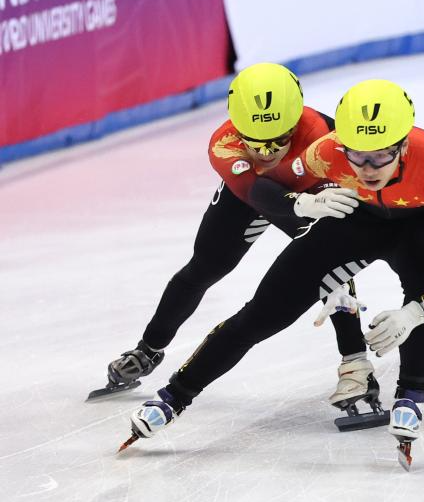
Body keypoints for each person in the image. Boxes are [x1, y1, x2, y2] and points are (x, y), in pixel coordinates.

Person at [121, 79, 424, 468]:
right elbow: (262, 190)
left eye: (380, 157)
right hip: (352, 220)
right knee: (261, 315)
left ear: (403, 146)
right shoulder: (326, 152)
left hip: (418, 227)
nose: (367, 169)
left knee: (423, 286)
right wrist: (300, 202)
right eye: (356, 156)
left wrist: (414, 312)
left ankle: (411, 391)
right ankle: (174, 396)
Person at [91, 63, 365, 404]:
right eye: (256, 143)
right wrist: (300, 204)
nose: (268, 153)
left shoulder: (326, 135)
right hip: (254, 193)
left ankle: (355, 364)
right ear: (238, 129)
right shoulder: (223, 143)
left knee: (330, 266)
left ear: (295, 122)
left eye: (280, 140)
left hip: (311, 190)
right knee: (204, 267)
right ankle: (148, 349)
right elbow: (255, 193)